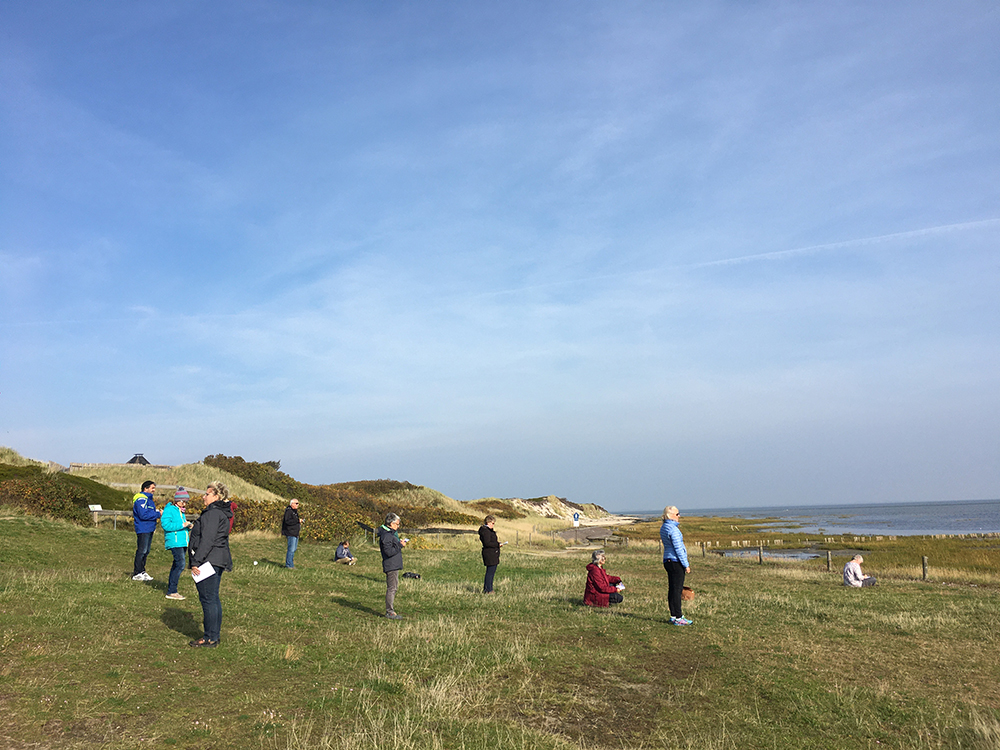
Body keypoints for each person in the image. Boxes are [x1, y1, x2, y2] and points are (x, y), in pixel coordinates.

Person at [188, 481, 233, 648]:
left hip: (209, 561)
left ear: (216, 496)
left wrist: (196, 561)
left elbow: (207, 540)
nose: (203, 496)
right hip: (215, 559)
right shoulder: (218, 513)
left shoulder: (213, 514)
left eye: (207, 494)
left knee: (208, 599)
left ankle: (210, 637)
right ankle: (213, 635)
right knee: (212, 598)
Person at [660, 505, 692, 625]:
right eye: (677, 514)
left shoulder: (664, 527)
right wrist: (686, 565)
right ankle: (679, 617)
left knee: (672, 589)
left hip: (667, 560)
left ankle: (673, 615)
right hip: (675, 561)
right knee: (677, 590)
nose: (679, 516)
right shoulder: (673, 530)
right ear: (671, 516)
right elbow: (678, 549)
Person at [161, 487, 193, 600]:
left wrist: (188, 527)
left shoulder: (180, 511)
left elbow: (181, 527)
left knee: (177, 564)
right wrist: (182, 525)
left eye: (185, 501)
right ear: (176, 500)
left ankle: (172, 589)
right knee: (180, 564)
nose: (184, 503)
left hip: (182, 542)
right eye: (182, 501)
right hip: (175, 542)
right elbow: (165, 525)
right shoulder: (169, 509)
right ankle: (172, 591)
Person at [378, 512, 408, 620]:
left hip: (393, 565)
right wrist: (400, 545)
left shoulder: (389, 534)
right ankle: (389, 612)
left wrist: (398, 543)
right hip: (391, 565)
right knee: (392, 588)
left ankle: (390, 611)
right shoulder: (386, 535)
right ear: (391, 523)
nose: (398, 526)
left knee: (393, 588)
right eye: (397, 524)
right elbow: (388, 552)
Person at [131, 480, 161, 581]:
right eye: (152, 488)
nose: (154, 490)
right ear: (146, 488)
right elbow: (143, 515)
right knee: (142, 550)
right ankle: (137, 572)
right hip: (143, 528)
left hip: (149, 528)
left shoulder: (149, 500)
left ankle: (142, 571)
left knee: (146, 551)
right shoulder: (141, 499)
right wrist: (157, 514)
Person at [478, 515, 506, 593]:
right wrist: (497, 544)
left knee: (491, 572)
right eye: (492, 523)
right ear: (488, 522)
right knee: (490, 573)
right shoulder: (486, 531)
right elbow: (487, 543)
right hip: (490, 554)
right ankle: (488, 589)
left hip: (492, 553)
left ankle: (488, 589)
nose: (493, 525)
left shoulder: (487, 530)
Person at [281, 499, 301, 569]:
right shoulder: (289, 511)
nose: (297, 505)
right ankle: (289, 565)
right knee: (291, 549)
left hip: (295, 533)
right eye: (296, 503)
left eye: (298, 503)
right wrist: (297, 521)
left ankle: (291, 564)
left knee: (294, 549)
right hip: (290, 532)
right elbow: (288, 521)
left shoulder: (294, 512)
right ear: (292, 504)